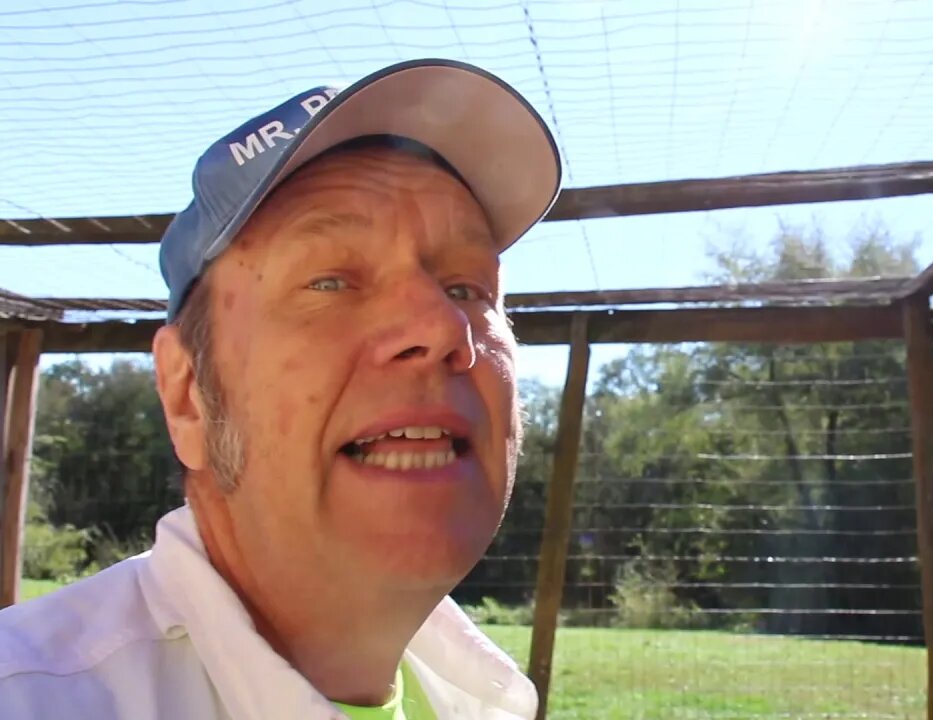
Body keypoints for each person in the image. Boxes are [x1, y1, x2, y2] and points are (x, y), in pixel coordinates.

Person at [0, 58, 562, 720]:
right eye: (329, 282)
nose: (443, 327)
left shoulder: (482, 700)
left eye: (467, 288)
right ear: (187, 396)